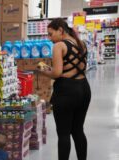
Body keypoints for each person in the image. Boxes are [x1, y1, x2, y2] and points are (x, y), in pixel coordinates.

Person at [37, 18, 91, 160]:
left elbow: (56, 73)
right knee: (78, 130)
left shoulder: (59, 46)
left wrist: (42, 68)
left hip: (67, 92)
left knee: (64, 133)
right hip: (84, 88)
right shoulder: (82, 43)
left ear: (60, 30)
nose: (49, 38)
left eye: (50, 34)